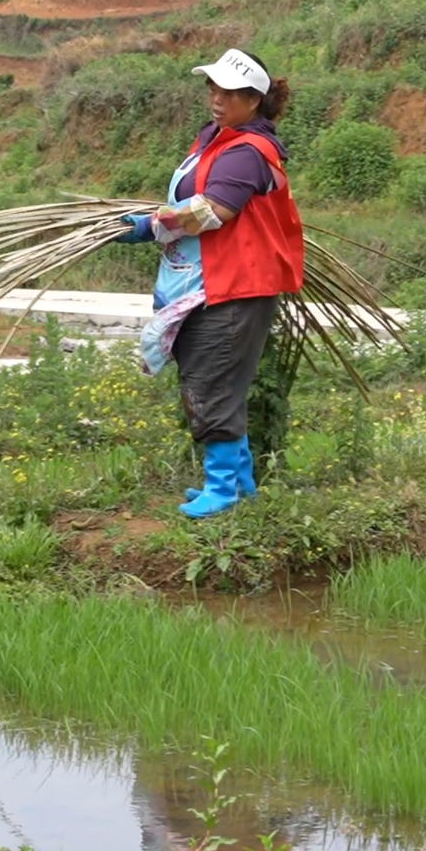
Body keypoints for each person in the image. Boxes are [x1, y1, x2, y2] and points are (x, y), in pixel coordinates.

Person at [115, 48, 304, 519]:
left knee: (212, 384)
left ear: (253, 100)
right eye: (213, 89)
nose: (216, 99)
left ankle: (222, 491)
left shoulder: (247, 152)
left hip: (233, 286)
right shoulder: (217, 139)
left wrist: (150, 225)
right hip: (208, 282)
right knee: (212, 379)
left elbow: (213, 211)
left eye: (229, 93)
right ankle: (238, 484)